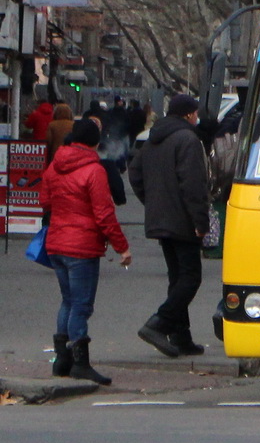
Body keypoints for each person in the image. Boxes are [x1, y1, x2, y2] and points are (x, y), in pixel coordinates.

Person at [39, 118, 132, 386]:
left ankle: (61, 360)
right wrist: (122, 247)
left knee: (67, 301)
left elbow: (45, 201)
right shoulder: (94, 170)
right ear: (94, 142)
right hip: (81, 246)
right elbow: (104, 214)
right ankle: (80, 362)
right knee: (81, 304)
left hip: (56, 242)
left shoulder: (55, 166)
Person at [128, 93, 210, 358]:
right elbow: (193, 184)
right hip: (183, 220)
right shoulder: (188, 139)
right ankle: (159, 323)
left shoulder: (153, 139)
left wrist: (151, 201)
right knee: (191, 277)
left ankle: (180, 336)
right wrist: (200, 221)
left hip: (161, 218)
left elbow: (135, 173)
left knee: (177, 278)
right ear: (188, 115)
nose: (197, 118)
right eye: (195, 113)